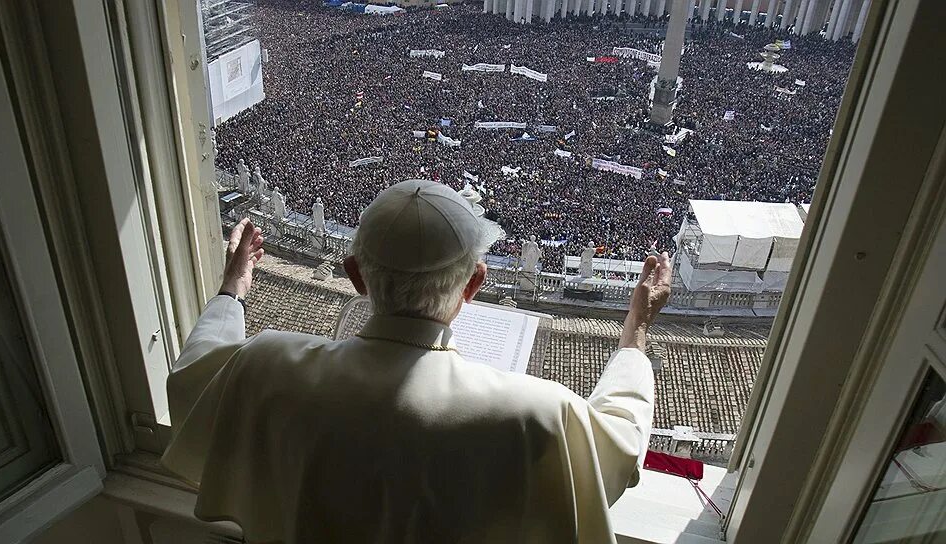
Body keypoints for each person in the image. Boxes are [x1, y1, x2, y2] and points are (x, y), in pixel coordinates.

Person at [162, 179, 672, 544]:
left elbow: (192, 380)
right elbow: (620, 445)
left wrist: (233, 290)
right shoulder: (537, 415)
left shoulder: (266, 366)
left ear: (355, 277)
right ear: (473, 285)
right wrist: (635, 331)